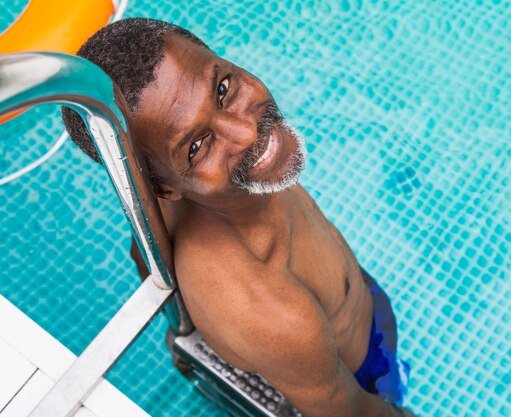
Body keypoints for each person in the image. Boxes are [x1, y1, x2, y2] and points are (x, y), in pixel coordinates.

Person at [62, 18, 415, 417]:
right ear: (165, 187)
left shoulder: (162, 193)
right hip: (358, 369)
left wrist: (176, 327)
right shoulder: (271, 309)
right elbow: (350, 412)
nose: (246, 133)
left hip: (347, 311)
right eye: (196, 147)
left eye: (223, 89)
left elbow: (142, 252)